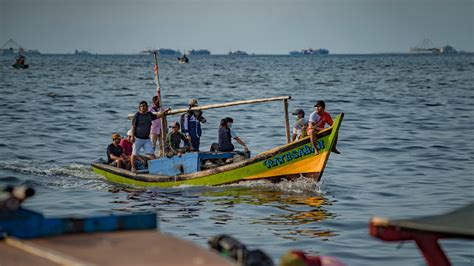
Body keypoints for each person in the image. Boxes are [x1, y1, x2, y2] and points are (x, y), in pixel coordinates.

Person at [130, 101, 160, 173]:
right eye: (141, 106)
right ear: (139, 108)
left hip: (146, 139)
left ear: (147, 107)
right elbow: (133, 126)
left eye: (144, 106)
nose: (142, 107)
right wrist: (132, 136)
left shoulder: (149, 114)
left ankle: (158, 168)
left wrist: (165, 112)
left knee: (152, 154)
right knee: (134, 154)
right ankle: (133, 168)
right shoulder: (137, 115)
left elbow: (158, 116)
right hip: (137, 138)